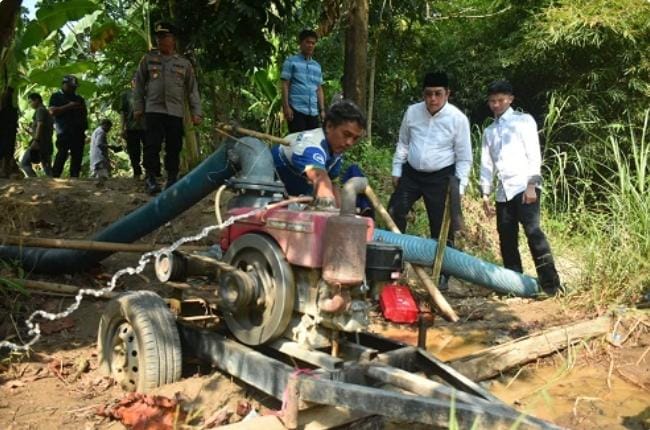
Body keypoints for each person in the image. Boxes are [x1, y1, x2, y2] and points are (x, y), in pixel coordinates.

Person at [480, 80, 562, 294]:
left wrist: (531, 185)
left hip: (524, 186)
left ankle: (551, 284)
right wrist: (485, 193)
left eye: (500, 100)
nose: (496, 105)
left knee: (533, 233)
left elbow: (533, 153)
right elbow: (486, 163)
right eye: (492, 101)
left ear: (510, 99)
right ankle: (513, 285)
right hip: (503, 191)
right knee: (506, 238)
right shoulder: (489, 131)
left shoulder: (523, 121)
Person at [388, 71, 472, 242]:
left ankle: (442, 259)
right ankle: (393, 253)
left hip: (440, 177)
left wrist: (460, 187)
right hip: (411, 174)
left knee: (441, 229)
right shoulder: (412, 112)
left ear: (447, 93)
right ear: (423, 94)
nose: (433, 99)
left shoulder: (458, 119)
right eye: (428, 94)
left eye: (438, 94)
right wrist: (397, 169)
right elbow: (403, 142)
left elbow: (464, 157)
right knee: (394, 211)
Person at [133, 21, 202, 195]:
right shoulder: (148, 59)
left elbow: (192, 89)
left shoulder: (184, 64)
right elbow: (138, 84)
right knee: (152, 145)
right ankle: (150, 178)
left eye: (164, 36)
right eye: (158, 37)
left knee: (174, 146)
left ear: (173, 39)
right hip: (153, 110)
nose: (160, 40)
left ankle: (171, 178)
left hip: (175, 111)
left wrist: (196, 112)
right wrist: (138, 107)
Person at [272, 100, 366, 208]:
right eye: (346, 134)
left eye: (355, 138)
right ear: (329, 126)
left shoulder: (336, 151)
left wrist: (340, 211)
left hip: (293, 195)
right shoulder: (310, 146)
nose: (350, 142)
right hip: (268, 192)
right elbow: (321, 179)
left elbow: (333, 184)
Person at [281, 29, 326, 133]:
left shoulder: (317, 66)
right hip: (296, 110)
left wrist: (322, 110)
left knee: (311, 141)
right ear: (301, 43)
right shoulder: (291, 61)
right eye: (308, 42)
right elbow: (285, 85)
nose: (310, 45)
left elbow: (319, 89)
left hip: (313, 112)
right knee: (297, 140)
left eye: (313, 43)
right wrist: (286, 107)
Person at [49, 75, 88, 178]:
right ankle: (55, 176)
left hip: (78, 131)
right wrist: (69, 106)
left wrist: (84, 128)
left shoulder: (79, 98)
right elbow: (52, 111)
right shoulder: (56, 96)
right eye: (70, 86)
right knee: (62, 153)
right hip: (64, 131)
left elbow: (84, 114)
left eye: (74, 87)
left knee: (77, 155)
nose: (73, 89)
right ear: (64, 84)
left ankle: (75, 176)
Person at [20, 93, 54, 177]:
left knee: (24, 163)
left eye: (31, 102)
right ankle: (52, 181)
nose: (30, 104)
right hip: (46, 143)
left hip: (40, 143)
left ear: (37, 100)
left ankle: (34, 179)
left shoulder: (40, 110)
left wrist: (36, 141)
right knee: (47, 168)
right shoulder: (45, 110)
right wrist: (29, 131)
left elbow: (40, 125)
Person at [120, 77, 146, 179]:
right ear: (131, 83)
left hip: (145, 126)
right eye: (134, 80)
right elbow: (123, 113)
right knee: (134, 151)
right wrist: (122, 128)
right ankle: (137, 172)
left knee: (149, 149)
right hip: (131, 127)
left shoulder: (147, 94)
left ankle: (151, 172)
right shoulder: (126, 95)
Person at [0, 87, 19, 178]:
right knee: (8, 152)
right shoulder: (14, 110)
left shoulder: (2, 111)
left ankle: (4, 170)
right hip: (10, 134)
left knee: (4, 151)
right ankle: (6, 170)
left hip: (4, 133)